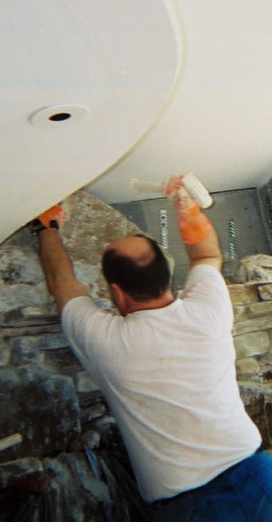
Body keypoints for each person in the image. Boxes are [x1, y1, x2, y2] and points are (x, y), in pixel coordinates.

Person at [31, 180, 272, 521]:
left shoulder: (108, 342)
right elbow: (206, 254)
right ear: (167, 278)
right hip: (259, 474)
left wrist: (47, 227)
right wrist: (187, 210)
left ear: (116, 293)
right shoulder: (208, 312)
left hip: (198, 504)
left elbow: (61, 283)